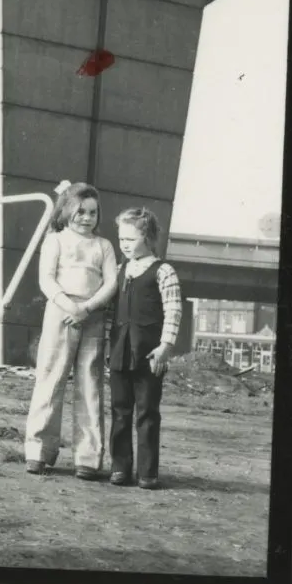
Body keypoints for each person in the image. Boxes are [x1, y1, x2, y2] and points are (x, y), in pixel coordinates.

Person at [24, 181, 118, 479]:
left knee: (89, 385)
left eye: (92, 212)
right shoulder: (55, 241)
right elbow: (46, 279)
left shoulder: (103, 246)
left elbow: (111, 282)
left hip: (92, 314)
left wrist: (87, 308)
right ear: (66, 212)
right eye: (80, 212)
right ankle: (38, 451)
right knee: (50, 378)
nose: (87, 218)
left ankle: (87, 457)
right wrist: (69, 305)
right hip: (60, 312)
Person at [108, 207, 182, 490]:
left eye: (130, 239)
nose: (124, 244)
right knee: (119, 410)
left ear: (148, 237)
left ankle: (147, 473)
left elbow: (173, 310)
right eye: (121, 239)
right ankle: (119, 468)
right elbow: (109, 312)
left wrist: (165, 347)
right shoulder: (119, 270)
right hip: (119, 352)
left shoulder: (163, 271)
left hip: (150, 355)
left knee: (147, 412)